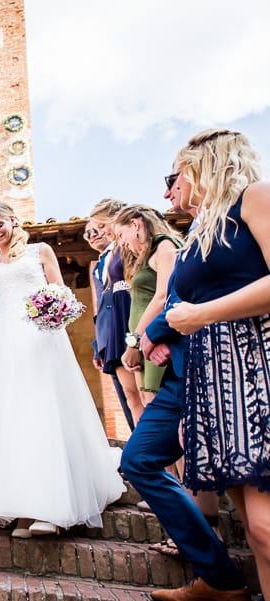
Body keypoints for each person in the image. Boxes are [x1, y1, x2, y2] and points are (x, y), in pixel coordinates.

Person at [0, 201, 124, 537]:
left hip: (41, 342)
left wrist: (53, 312)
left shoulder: (40, 251)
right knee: (13, 421)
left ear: (13, 220)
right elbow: (1, 315)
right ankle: (20, 508)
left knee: (43, 415)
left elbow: (63, 295)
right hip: (5, 349)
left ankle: (50, 508)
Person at [122, 162, 247, 601]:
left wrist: (150, 335)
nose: (168, 193)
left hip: (215, 369)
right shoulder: (193, 235)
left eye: (174, 181)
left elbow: (178, 297)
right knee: (137, 459)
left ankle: (222, 576)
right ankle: (218, 573)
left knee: (248, 502)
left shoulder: (227, 227)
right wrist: (155, 336)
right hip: (180, 372)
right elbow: (177, 297)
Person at [166, 129, 270, 597]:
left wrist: (201, 314)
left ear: (209, 162)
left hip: (255, 365)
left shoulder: (256, 197)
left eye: (181, 171)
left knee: (267, 527)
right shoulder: (203, 228)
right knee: (254, 531)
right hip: (213, 375)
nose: (178, 183)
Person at [113, 205, 183, 414]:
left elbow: (163, 296)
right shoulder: (147, 254)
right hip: (143, 343)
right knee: (147, 401)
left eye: (120, 234)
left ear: (135, 224)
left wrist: (134, 342)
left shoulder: (165, 245)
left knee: (157, 404)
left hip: (153, 339)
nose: (121, 242)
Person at [89, 202, 144, 425]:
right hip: (109, 337)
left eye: (101, 226)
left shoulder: (128, 248)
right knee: (130, 398)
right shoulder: (100, 264)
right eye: (91, 231)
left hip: (130, 326)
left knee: (143, 393)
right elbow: (102, 307)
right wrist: (98, 346)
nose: (96, 233)